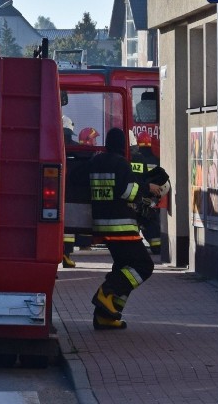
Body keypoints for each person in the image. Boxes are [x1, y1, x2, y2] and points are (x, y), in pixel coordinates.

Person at [72, 127, 162, 330]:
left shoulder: (95, 161)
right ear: (122, 146)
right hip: (122, 226)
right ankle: (107, 292)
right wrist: (147, 189)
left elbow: (77, 179)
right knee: (143, 267)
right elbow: (128, 192)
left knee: (124, 268)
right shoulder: (121, 163)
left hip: (102, 225)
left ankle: (106, 316)